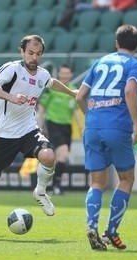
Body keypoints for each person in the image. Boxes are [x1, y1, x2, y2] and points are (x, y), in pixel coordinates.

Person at [0, 34, 77, 238]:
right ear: (22, 51)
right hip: (5, 136)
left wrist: (73, 93)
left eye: (38, 54)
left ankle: (40, 191)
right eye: (30, 53)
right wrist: (12, 98)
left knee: (49, 156)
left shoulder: (42, 74)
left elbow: (52, 82)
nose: (34, 57)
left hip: (28, 130)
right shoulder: (12, 69)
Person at [75, 25, 137, 250]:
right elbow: (129, 91)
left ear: (116, 43)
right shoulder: (135, 65)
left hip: (93, 127)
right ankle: (110, 232)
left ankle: (91, 225)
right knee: (126, 179)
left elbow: (79, 96)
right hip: (117, 127)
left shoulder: (99, 62)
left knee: (97, 182)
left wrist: (93, 116)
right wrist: (136, 124)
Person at [37, 64, 83, 195]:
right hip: (53, 124)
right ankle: (56, 186)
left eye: (67, 73)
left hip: (66, 127)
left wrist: (80, 127)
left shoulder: (74, 91)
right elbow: (41, 108)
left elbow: (75, 111)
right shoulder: (51, 89)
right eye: (62, 73)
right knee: (63, 154)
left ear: (71, 75)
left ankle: (51, 185)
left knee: (60, 157)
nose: (64, 76)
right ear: (59, 74)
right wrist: (39, 126)